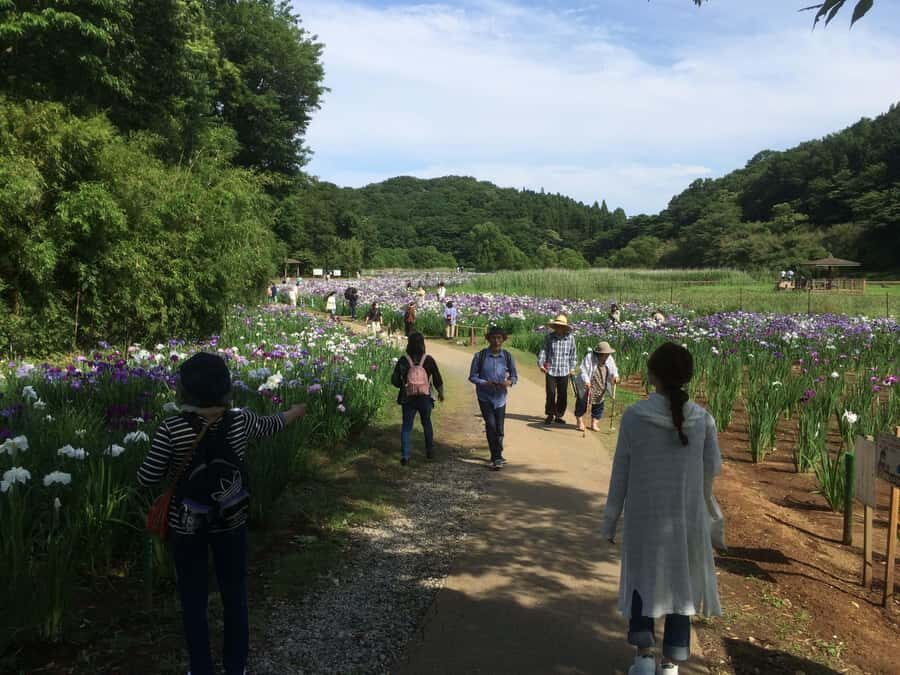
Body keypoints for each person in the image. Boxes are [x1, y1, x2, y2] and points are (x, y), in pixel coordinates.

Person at [137, 352, 305, 675]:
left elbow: (146, 476)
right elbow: (274, 424)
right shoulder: (240, 421)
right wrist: (296, 411)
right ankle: (235, 665)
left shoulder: (171, 429)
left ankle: (200, 668)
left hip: (187, 527)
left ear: (185, 391)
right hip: (232, 522)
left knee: (193, 599)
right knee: (235, 595)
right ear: (226, 388)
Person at [600, 342, 722, 675]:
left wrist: (610, 521)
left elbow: (620, 473)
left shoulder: (635, 417)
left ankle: (643, 657)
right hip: (687, 521)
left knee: (643, 579)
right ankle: (671, 663)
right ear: (686, 377)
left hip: (644, 521)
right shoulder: (704, 420)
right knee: (681, 583)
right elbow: (712, 469)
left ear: (651, 375)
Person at [391, 332, 444, 465]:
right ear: (423, 344)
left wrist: (404, 385)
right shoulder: (428, 359)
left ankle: (405, 455)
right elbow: (437, 378)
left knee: (407, 427)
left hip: (407, 398)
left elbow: (395, 380)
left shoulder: (403, 360)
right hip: (425, 397)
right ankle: (430, 450)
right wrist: (441, 393)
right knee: (426, 423)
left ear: (409, 344)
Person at [469, 326, 518, 470]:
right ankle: (495, 457)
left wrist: (508, 382)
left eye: (499, 338)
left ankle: (498, 453)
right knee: (490, 425)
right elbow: (472, 376)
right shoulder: (480, 356)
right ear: (488, 339)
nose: (496, 341)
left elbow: (514, 376)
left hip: (501, 397)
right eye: (493, 338)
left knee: (500, 428)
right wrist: (485, 382)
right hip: (485, 397)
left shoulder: (507, 356)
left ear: (503, 340)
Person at [537, 314, 577, 425]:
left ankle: (559, 415)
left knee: (562, 394)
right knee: (550, 393)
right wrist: (541, 364)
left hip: (564, 370)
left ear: (565, 327)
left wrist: (572, 368)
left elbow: (573, 355)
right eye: (557, 326)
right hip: (551, 369)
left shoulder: (570, 338)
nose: (559, 328)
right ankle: (550, 414)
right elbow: (544, 351)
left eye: (561, 326)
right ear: (555, 326)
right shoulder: (549, 337)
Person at [575, 341, 619, 432]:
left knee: (599, 403)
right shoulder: (589, 357)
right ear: (598, 353)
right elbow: (583, 370)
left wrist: (615, 376)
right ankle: (579, 421)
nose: (606, 356)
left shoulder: (609, 358)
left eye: (607, 354)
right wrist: (587, 381)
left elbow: (613, 369)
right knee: (582, 402)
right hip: (587, 383)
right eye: (604, 354)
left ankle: (594, 423)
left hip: (601, 383)